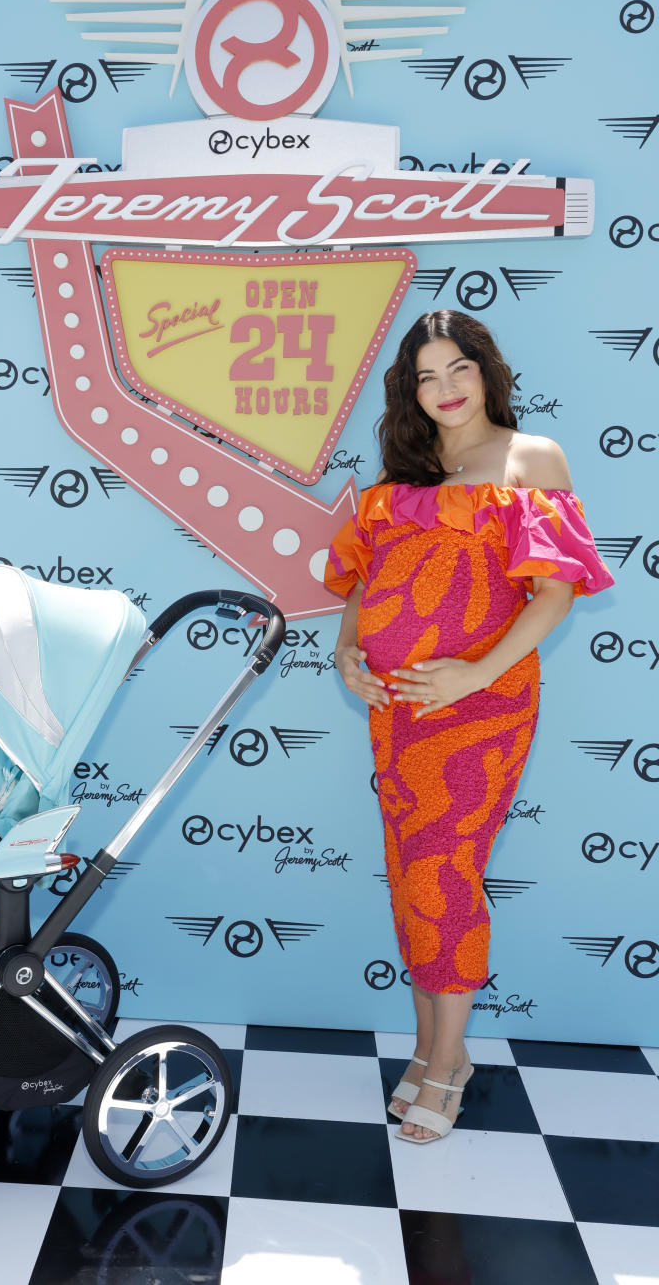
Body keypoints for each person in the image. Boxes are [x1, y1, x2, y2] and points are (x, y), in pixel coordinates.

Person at [324, 310, 613, 1144]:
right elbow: (361, 580)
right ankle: (428, 1046)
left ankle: (450, 1062)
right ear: (409, 391)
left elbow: (554, 594)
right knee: (414, 873)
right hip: (396, 712)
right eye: (426, 376)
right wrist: (348, 651)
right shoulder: (405, 469)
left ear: (487, 372)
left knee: (446, 872)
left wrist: (473, 673)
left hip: (482, 708)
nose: (445, 389)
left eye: (459, 369)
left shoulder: (531, 457)